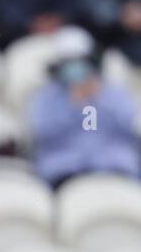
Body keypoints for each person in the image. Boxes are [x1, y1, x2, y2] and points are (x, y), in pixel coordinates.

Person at [29, 27, 141, 187]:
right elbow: (43, 134)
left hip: (113, 164)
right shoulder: (45, 98)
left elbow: (127, 125)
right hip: (64, 167)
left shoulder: (113, 92)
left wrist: (96, 101)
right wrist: (74, 106)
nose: (75, 67)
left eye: (80, 60)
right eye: (68, 61)